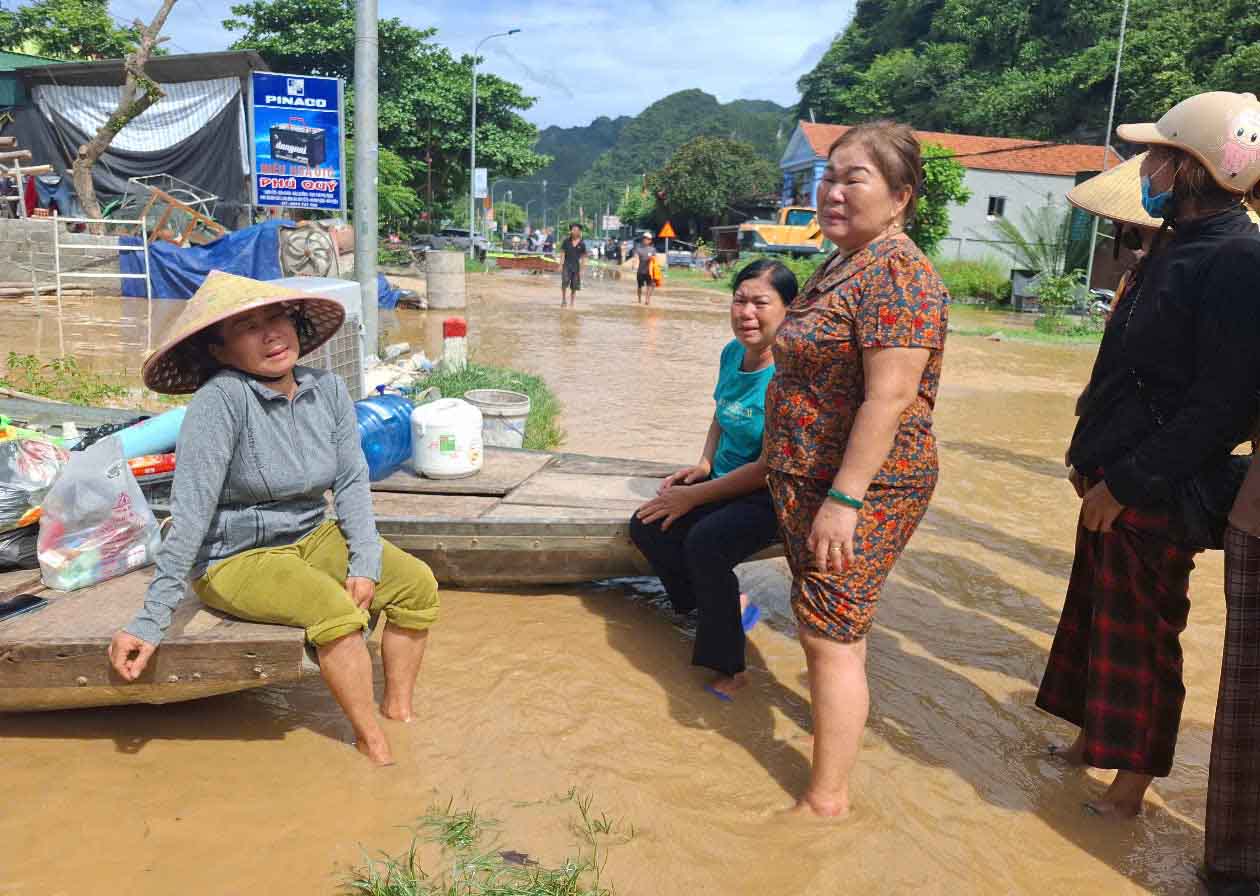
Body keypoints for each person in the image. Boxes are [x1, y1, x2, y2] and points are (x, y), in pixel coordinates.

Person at [107, 271, 440, 767]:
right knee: (337, 613)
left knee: (417, 585)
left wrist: (365, 561)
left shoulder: (326, 390)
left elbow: (350, 482)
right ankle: (375, 745)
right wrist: (151, 621)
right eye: (247, 327)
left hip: (312, 533)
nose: (270, 335)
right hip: (235, 557)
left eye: (276, 318)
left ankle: (399, 711)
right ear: (219, 350)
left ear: (295, 324)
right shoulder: (219, 402)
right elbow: (191, 515)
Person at [1037, 91, 1260, 821]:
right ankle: (1089, 741)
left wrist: (1128, 483)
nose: (1147, 168)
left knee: (1143, 632)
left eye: (1159, 155)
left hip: (1154, 485)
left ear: (1193, 168)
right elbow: (1121, 366)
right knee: (1094, 613)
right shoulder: (1173, 242)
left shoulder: (1236, 258)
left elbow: (1221, 404)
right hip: (1112, 469)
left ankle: (1131, 784)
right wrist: (1087, 453)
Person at [762, 120, 948, 818]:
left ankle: (826, 802)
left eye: (854, 178)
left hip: (863, 488)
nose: (833, 191)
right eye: (828, 177)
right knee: (833, 629)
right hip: (810, 478)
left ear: (899, 197)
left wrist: (844, 499)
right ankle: (832, 757)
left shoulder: (899, 272)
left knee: (828, 635)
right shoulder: (842, 261)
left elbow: (891, 396)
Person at [629, 259, 799, 699]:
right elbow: (720, 415)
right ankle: (704, 610)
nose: (746, 313)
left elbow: (767, 466)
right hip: (722, 478)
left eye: (760, 303)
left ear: (789, 311)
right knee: (646, 523)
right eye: (739, 300)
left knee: (706, 543)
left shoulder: (789, 375)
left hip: (769, 494)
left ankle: (730, 666)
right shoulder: (731, 354)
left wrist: (696, 496)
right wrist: (703, 466)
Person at [559, 222, 588, 308]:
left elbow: (583, 257)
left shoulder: (582, 244)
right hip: (566, 265)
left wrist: (582, 269)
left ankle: (572, 303)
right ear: (571, 231)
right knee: (564, 282)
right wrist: (561, 264)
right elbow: (562, 253)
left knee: (574, 286)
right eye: (573, 230)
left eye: (576, 230)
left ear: (579, 232)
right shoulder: (566, 241)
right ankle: (564, 300)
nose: (574, 231)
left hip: (576, 267)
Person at [633, 232, 657, 305]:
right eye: (645, 239)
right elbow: (636, 258)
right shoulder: (638, 249)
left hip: (649, 271)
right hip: (640, 271)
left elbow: (655, 260)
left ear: (650, 241)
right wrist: (634, 266)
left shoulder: (653, 250)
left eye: (648, 239)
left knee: (650, 285)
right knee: (640, 286)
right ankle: (639, 299)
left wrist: (655, 268)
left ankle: (647, 300)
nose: (646, 240)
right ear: (643, 239)